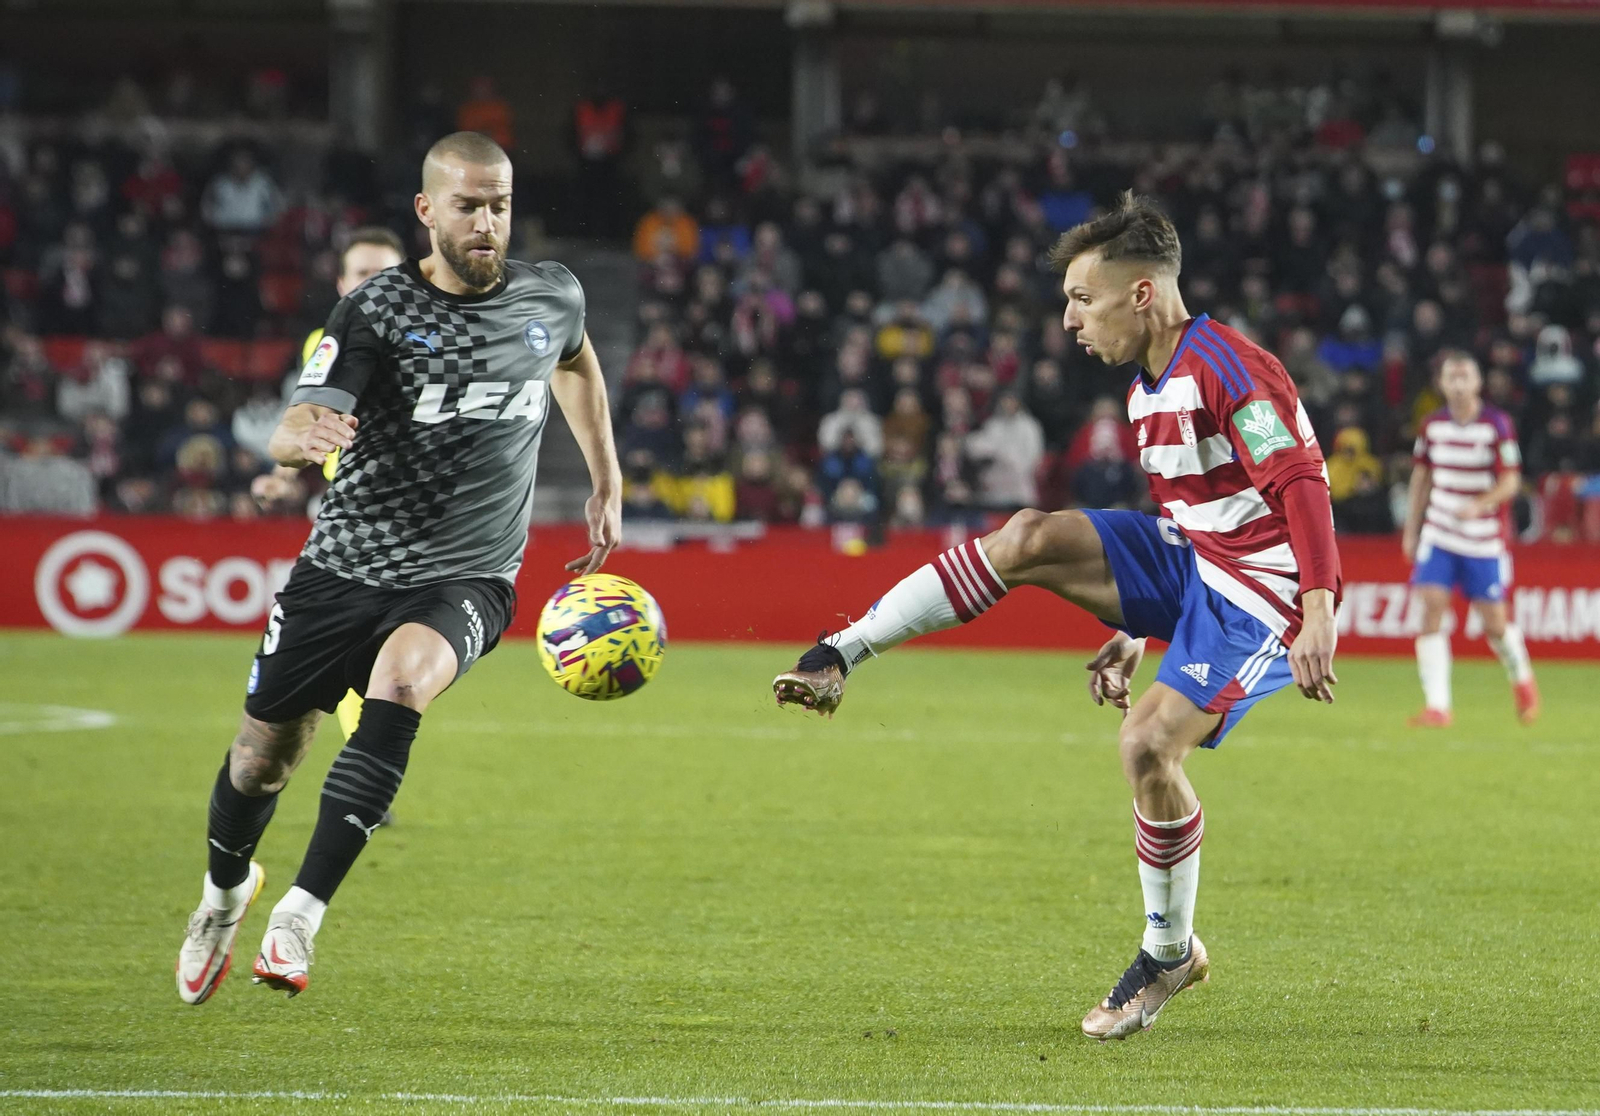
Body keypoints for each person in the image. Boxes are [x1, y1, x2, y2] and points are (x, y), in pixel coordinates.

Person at [772, 194, 1342, 1041]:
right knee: (1029, 536)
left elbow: (1299, 481)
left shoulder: (1227, 366)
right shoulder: (1151, 386)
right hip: (1196, 563)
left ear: (1140, 295)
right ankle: (841, 652)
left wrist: (1319, 609)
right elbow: (1192, 517)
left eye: (1083, 297)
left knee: (1147, 744)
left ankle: (1169, 952)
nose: (1071, 319)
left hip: (1262, 589)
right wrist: (1135, 627)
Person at [176, 131, 622, 1004]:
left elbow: (576, 361)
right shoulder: (375, 311)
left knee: (403, 681)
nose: (487, 222)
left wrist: (606, 479)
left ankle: (301, 913)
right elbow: (298, 417)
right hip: (345, 564)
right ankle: (225, 895)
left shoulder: (551, 293)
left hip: (471, 573)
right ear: (427, 211)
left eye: (499, 204)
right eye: (468, 206)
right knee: (260, 758)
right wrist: (297, 438)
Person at [252, 226, 408, 744]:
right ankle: (362, 756)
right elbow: (310, 420)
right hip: (353, 514)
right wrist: (279, 475)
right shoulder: (327, 344)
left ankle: (363, 756)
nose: (375, 284)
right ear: (342, 284)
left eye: (386, 273)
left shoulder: (434, 341)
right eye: (363, 274)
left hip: (419, 512)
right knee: (354, 648)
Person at [1401, 353, 1538, 728]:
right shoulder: (1431, 426)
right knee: (1430, 607)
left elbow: (1511, 481)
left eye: (1465, 377)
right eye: (1452, 378)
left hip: (1482, 539)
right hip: (1440, 532)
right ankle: (1438, 706)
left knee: (1494, 623)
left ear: (1478, 383)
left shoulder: (1497, 424)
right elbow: (1421, 479)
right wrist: (1412, 529)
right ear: (1442, 384)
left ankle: (1522, 679)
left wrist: (1481, 504)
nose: (1458, 385)